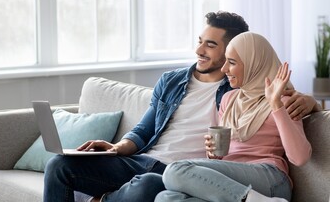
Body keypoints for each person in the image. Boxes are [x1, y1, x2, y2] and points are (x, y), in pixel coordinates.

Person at [44, 11, 320, 202]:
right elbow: (145, 128)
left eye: (211, 45)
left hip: (174, 170)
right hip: (146, 160)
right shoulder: (177, 82)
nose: (200, 50)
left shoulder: (236, 86)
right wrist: (117, 147)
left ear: (233, 52)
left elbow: (272, 101)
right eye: (200, 41)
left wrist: (309, 102)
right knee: (59, 165)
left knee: (152, 186)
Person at [154, 32, 312, 202]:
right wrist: (214, 155)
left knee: (174, 170)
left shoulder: (284, 101)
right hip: (231, 180)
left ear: (254, 64)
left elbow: (300, 157)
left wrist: (275, 104)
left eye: (232, 62)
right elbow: (226, 154)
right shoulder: (229, 99)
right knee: (167, 197)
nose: (224, 69)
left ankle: (253, 199)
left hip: (269, 179)